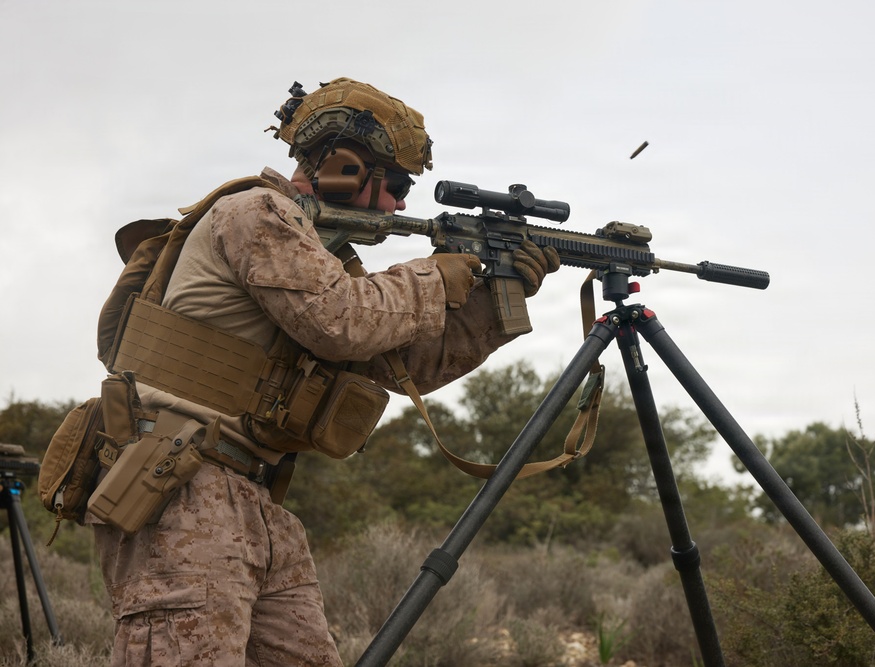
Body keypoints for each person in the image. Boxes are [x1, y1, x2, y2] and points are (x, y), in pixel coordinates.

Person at [89, 77, 560, 666]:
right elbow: (339, 321)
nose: (401, 204)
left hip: (252, 497)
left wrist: (497, 299)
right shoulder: (254, 214)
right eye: (396, 184)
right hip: (182, 490)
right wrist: (436, 276)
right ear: (342, 166)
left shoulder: (321, 259)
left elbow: (401, 364)